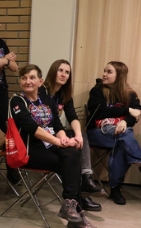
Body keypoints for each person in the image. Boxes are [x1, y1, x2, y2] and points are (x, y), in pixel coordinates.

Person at [9, 65, 98, 228]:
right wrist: (59, 141)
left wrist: (64, 138)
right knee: (70, 162)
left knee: (72, 154)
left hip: (49, 146)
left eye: (32, 77)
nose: (27, 81)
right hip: (29, 151)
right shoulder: (17, 101)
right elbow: (31, 128)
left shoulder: (47, 100)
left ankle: (71, 207)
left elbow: (57, 124)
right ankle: (77, 213)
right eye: (24, 78)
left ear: (40, 81)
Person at [86, 61, 141, 204]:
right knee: (124, 137)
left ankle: (116, 188)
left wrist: (125, 121)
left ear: (120, 75)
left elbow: (136, 113)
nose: (104, 74)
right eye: (104, 71)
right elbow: (100, 112)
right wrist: (127, 110)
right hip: (96, 133)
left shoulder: (130, 94)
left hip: (118, 135)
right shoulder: (97, 91)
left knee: (121, 143)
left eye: (109, 72)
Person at [42, 59, 102, 212]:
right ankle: (80, 196)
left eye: (67, 72)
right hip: (45, 135)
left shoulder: (64, 93)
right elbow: (53, 122)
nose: (64, 75)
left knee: (81, 137)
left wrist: (78, 135)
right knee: (73, 152)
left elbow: (72, 116)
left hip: (57, 131)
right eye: (60, 70)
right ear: (53, 71)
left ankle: (86, 179)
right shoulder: (43, 91)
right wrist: (65, 137)